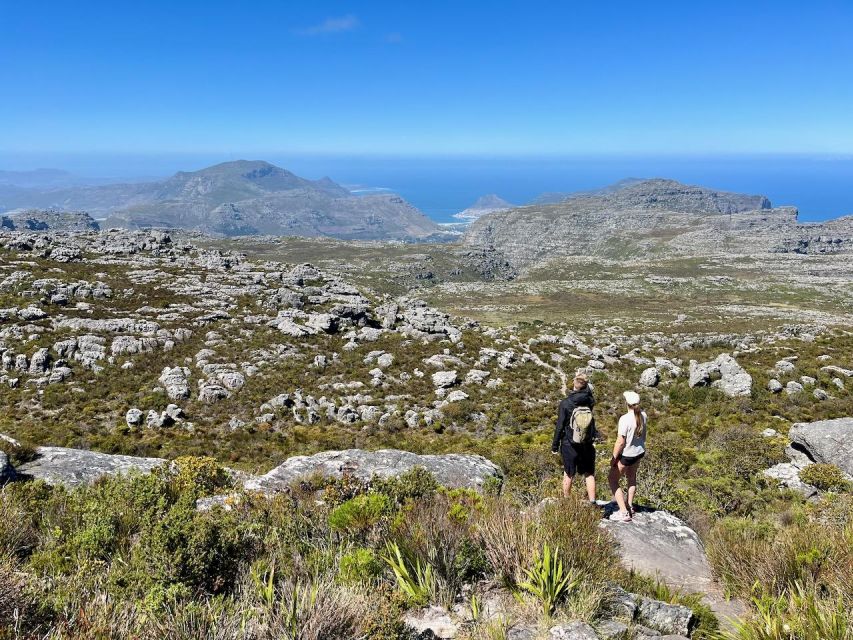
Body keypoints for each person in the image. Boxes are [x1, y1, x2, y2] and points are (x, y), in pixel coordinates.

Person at [551, 372, 597, 501]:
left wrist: (555, 445)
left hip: (569, 442)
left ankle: (566, 501)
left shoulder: (565, 403)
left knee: (568, 473)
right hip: (587, 442)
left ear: (574, 384)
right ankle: (593, 501)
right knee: (589, 474)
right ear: (586, 385)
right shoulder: (590, 400)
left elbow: (560, 425)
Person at [608, 390, 647, 523]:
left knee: (612, 480)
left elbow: (620, 442)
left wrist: (614, 458)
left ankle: (624, 512)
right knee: (631, 477)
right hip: (639, 452)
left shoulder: (624, 419)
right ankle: (630, 505)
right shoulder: (643, 415)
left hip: (627, 455)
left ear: (627, 403)